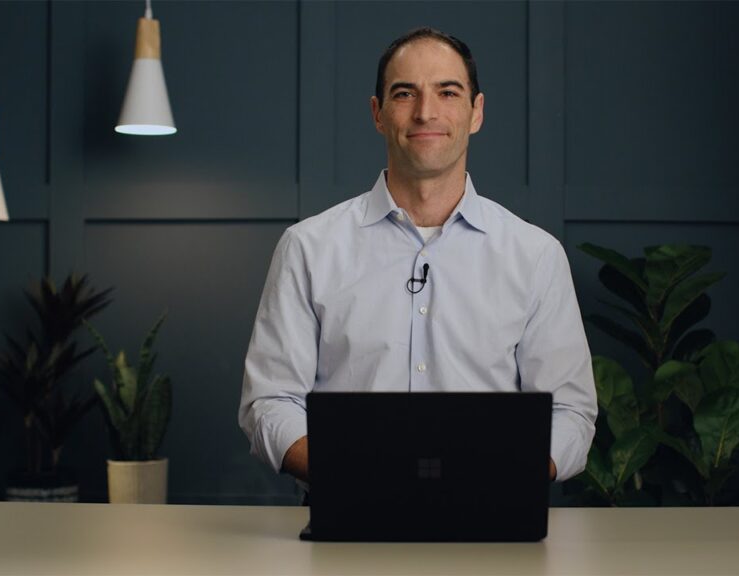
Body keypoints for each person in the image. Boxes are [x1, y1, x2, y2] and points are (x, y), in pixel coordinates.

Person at [239, 27, 596, 486]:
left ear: (476, 112)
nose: (426, 112)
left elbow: (570, 411)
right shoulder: (308, 248)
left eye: (448, 92)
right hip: (346, 517)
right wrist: (352, 475)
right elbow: (268, 401)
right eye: (405, 93)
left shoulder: (536, 255)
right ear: (378, 114)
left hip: (494, 521)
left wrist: (504, 478)